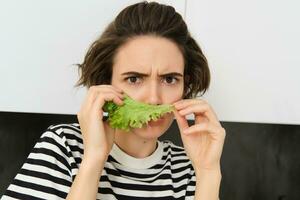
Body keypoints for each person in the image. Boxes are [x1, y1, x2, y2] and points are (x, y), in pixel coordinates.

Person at [1, 1, 226, 199]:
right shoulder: (64, 146)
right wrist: (93, 159)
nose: (154, 98)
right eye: (134, 78)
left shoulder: (188, 166)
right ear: (106, 84)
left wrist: (208, 173)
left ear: (184, 86)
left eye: (169, 79)